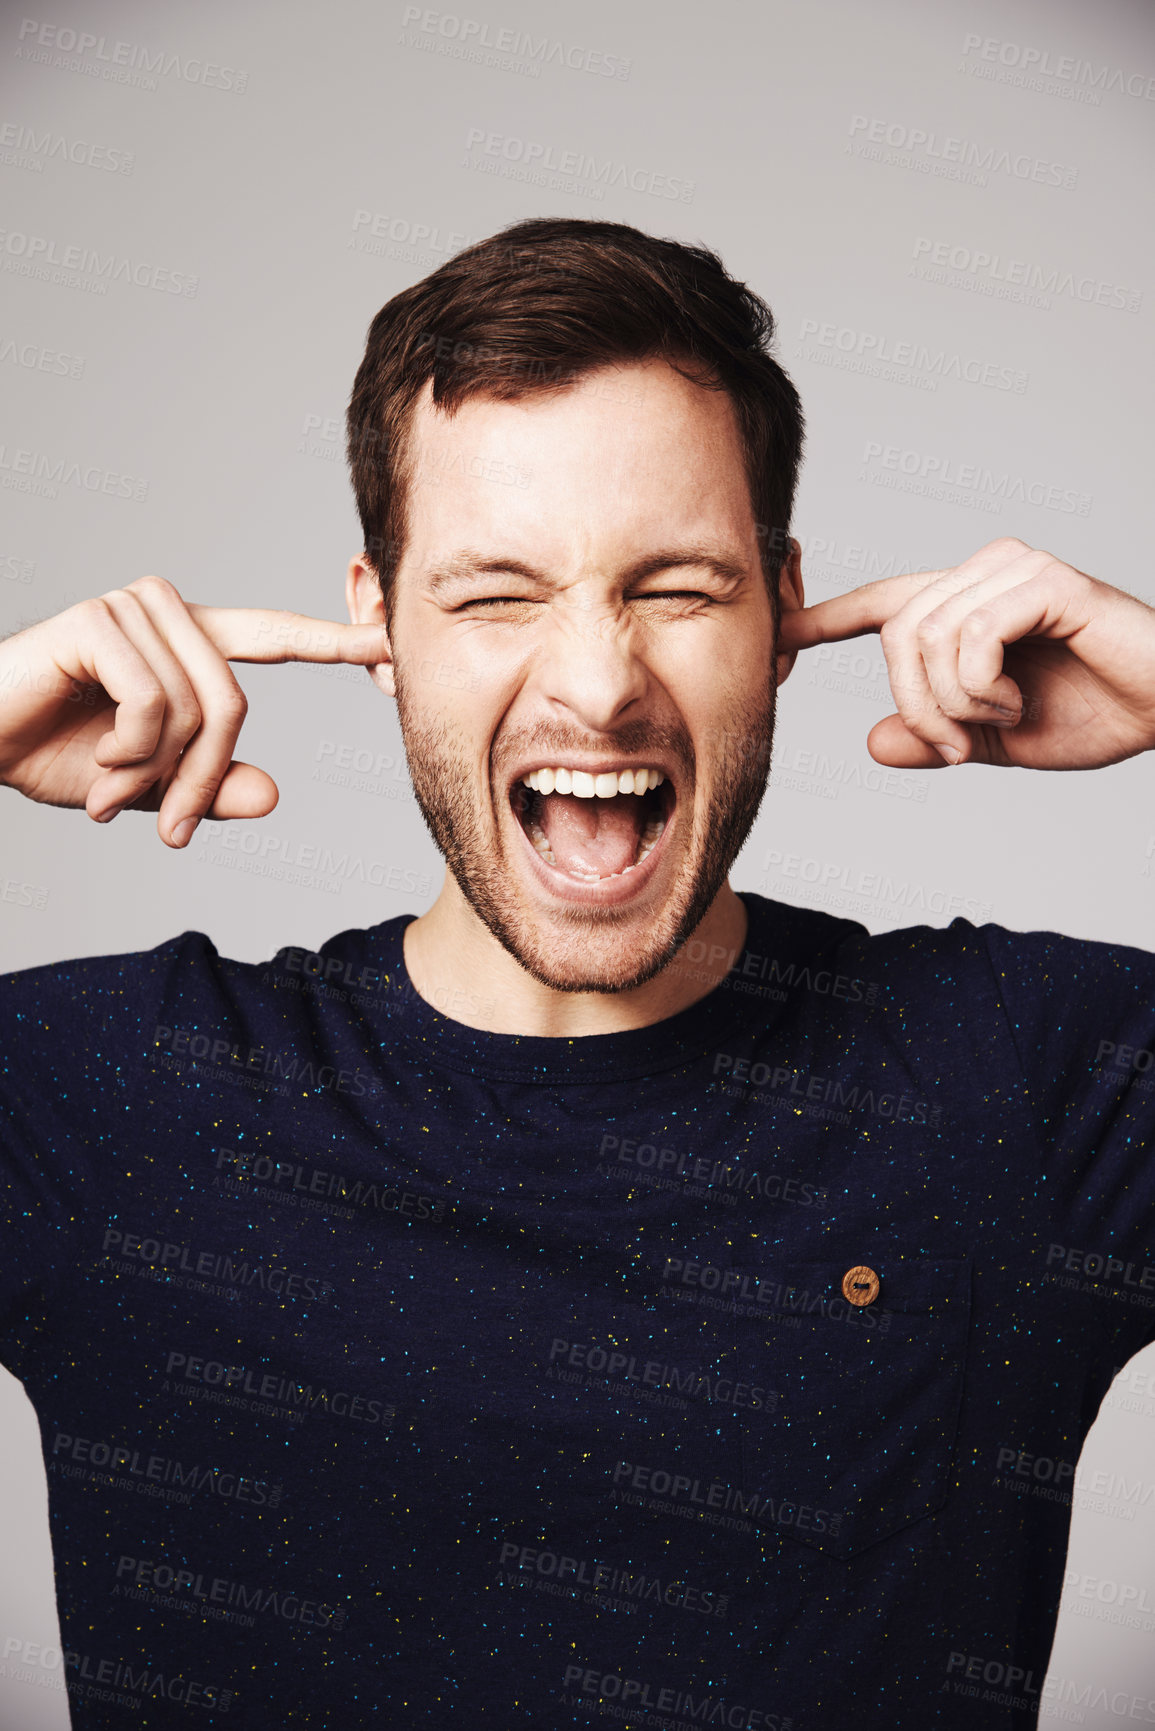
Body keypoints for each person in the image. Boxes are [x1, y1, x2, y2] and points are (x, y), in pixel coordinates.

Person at [1, 216, 1153, 1731]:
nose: (599, 683)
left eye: (678, 587)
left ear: (785, 608)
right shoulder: (113, 1095)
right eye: (493, 595)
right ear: (378, 624)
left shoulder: (1017, 1083)